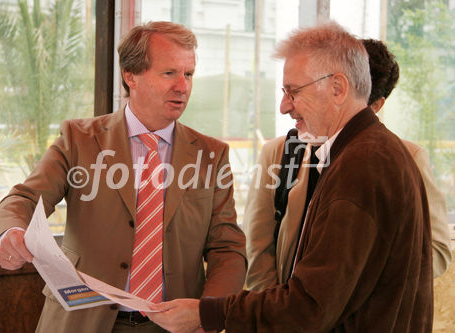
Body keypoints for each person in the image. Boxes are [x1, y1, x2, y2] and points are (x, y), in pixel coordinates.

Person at [147, 22, 433, 332]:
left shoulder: (364, 165)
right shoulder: (365, 152)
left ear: (337, 88)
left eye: (293, 91)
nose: (284, 107)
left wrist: (207, 314)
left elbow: (310, 306)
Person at [0, 21, 247, 333]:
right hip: (81, 320)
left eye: (189, 74)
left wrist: (208, 312)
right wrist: (11, 232)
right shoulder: (78, 139)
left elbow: (228, 248)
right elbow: (24, 199)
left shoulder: (211, 154)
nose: (183, 86)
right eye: (169, 73)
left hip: (173, 327)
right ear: (130, 76)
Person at [244, 38, 452, 292]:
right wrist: (277, 315)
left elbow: (437, 252)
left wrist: (352, 286)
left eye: (295, 91)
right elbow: (258, 247)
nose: (285, 107)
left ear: (377, 106)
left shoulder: (407, 159)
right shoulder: (279, 153)